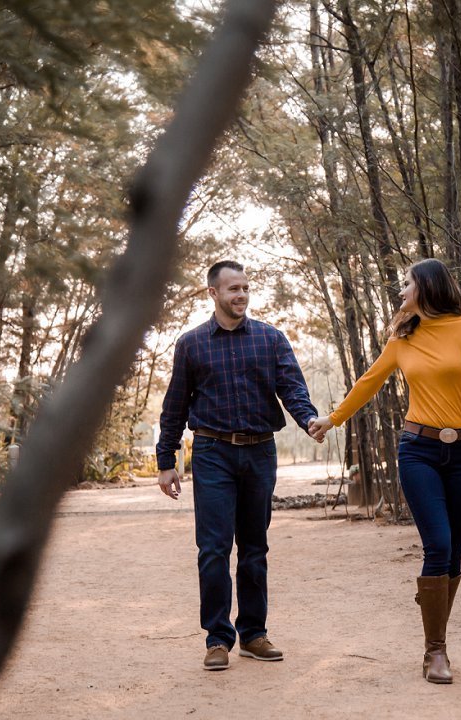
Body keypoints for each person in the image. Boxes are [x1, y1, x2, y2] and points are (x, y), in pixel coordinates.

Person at [309, 258, 461, 684]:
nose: (401, 291)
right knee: (438, 545)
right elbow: (369, 382)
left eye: (406, 283)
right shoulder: (403, 337)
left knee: (453, 553)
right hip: (419, 452)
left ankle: (430, 604)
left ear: (427, 286)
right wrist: (332, 419)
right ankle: (436, 652)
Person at [156, 260, 319, 671]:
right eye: (232, 289)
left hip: (260, 453)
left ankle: (253, 634)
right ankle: (216, 639)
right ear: (213, 293)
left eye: (245, 288)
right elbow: (174, 407)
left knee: (254, 548)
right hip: (212, 453)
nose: (241, 295)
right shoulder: (191, 344)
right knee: (212, 549)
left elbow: (292, 389)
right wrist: (166, 461)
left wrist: (309, 419)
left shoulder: (270, 338)